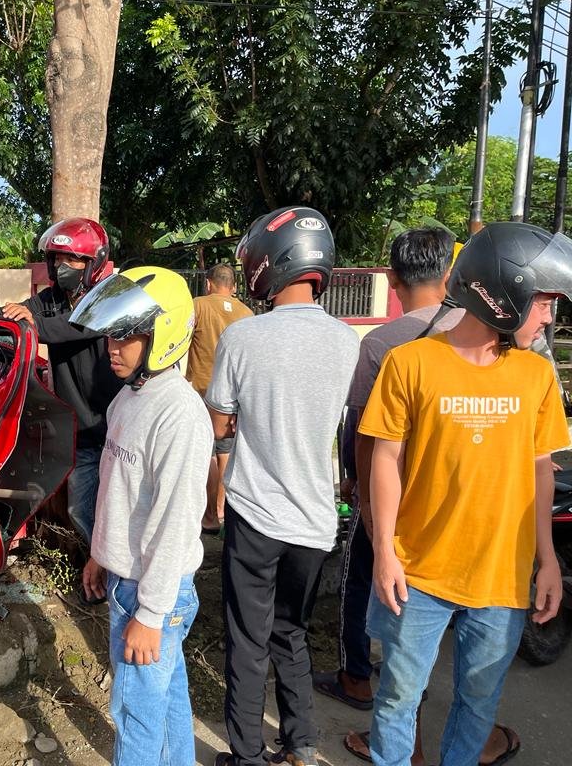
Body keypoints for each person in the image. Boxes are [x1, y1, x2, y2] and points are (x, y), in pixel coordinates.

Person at [361, 222, 572, 766]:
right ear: (506, 294)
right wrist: (384, 549)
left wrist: (547, 561)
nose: (550, 316)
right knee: (398, 699)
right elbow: (385, 458)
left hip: (502, 577)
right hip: (418, 573)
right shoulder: (411, 363)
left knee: (479, 702)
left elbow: (541, 469)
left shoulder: (536, 376)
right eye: (544, 302)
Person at [314, 228, 520, 766]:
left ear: (394, 279)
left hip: (400, 520)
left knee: (380, 611)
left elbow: (363, 432)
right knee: (476, 669)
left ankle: (359, 678)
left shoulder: (384, 344)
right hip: (483, 529)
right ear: (451, 277)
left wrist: (360, 501)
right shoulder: (499, 338)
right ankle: (469, 738)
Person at [208, 207, 359, 766]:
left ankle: (246, 756)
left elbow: (221, 423)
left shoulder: (243, 337)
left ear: (268, 265)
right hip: (317, 519)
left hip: (254, 513)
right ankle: (300, 742)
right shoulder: (348, 342)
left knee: (248, 640)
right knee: (291, 631)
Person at [73, 266, 212, 766]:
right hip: (129, 578)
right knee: (167, 700)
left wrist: (150, 616)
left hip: (154, 592)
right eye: (112, 332)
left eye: (129, 334)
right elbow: (117, 492)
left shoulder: (178, 415)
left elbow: (177, 522)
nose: (115, 346)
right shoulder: (128, 399)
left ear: (166, 333)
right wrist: (99, 555)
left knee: (135, 714)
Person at [0, 218, 123, 546]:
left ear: (94, 264)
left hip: (115, 426)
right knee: (81, 510)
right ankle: (100, 567)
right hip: (81, 431)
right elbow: (7, 318)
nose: (64, 266)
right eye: (58, 259)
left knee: (118, 510)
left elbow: (66, 328)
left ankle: (114, 568)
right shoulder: (51, 300)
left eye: (73, 259)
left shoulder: (104, 300)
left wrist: (32, 322)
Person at [184, 262, 254, 534]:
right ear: (234, 287)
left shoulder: (197, 305)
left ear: (209, 283)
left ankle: (209, 515)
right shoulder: (247, 313)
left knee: (207, 455)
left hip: (203, 391)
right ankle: (224, 512)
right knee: (227, 452)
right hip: (236, 395)